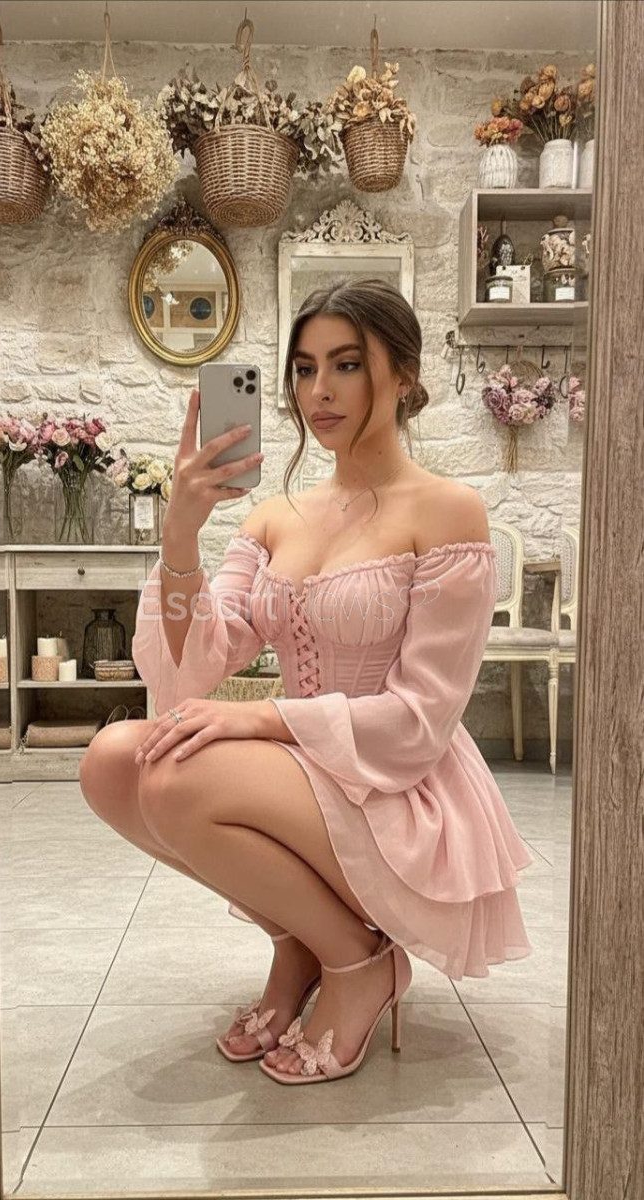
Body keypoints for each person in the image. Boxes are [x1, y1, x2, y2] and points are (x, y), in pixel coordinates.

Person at [79, 278, 534, 1086]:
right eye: (302, 368)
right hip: (306, 767)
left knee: (178, 777)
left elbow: (422, 719)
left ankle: (359, 962)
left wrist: (261, 720)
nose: (318, 391)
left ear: (403, 376)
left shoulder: (446, 511)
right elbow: (187, 672)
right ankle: (298, 945)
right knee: (113, 762)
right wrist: (180, 534)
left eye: (346, 365)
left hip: (396, 779)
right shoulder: (274, 517)